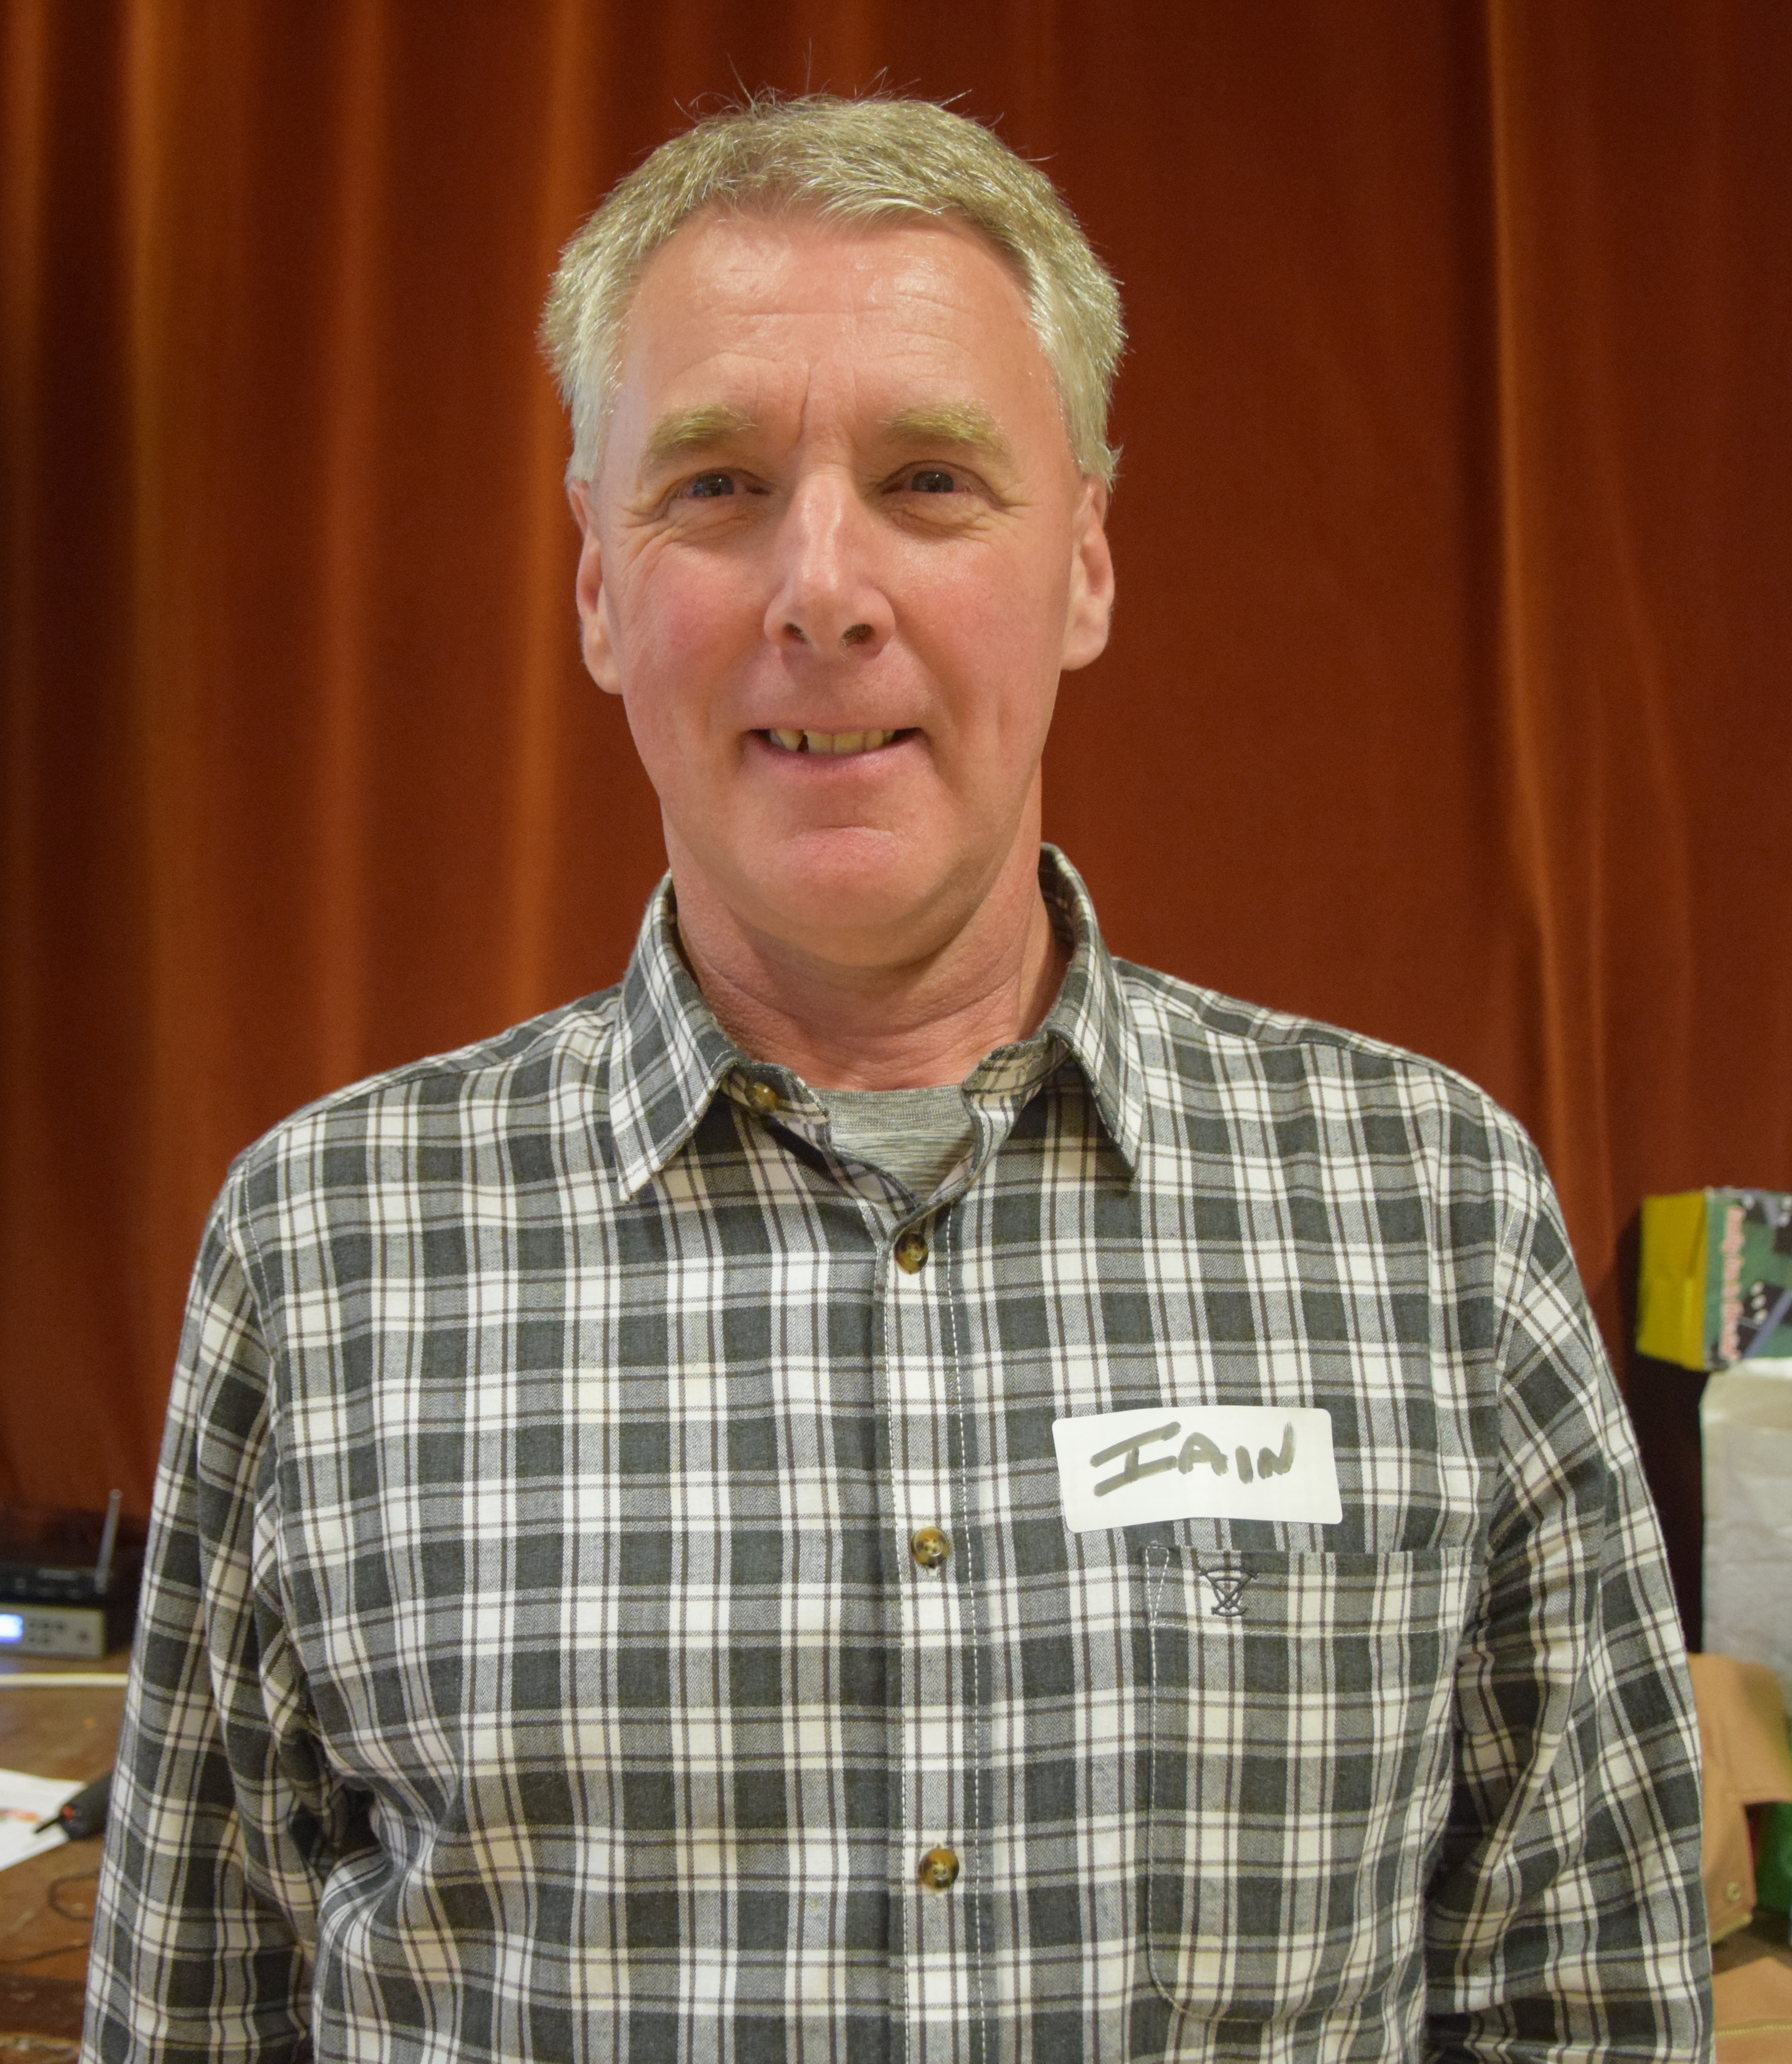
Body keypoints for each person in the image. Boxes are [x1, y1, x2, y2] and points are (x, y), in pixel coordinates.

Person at [84, 94, 1711, 2063]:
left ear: (1087, 569)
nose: (825, 589)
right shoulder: (324, 1251)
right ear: (598, 588)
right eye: (715, 487)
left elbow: (1595, 2011)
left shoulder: (1435, 1211)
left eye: (933, 480)